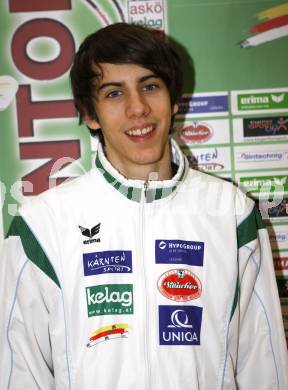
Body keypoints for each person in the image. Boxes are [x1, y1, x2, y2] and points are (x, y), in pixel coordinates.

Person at [0, 23, 287, 390]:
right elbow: (19, 371)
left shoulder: (232, 213)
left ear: (173, 101)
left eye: (150, 86)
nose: (138, 109)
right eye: (114, 93)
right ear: (90, 114)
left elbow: (263, 363)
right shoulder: (41, 224)